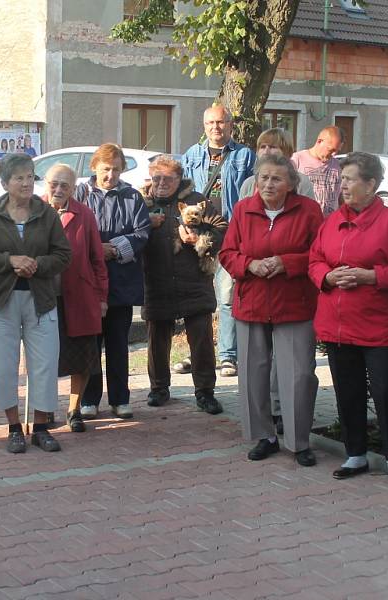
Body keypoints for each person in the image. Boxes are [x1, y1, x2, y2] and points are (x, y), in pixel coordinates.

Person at [308, 152, 388, 488]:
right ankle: (356, 453)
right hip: (337, 322)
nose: (344, 186)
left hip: (377, 324)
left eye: (350, 179)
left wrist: (370, 276)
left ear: (371, 185)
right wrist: (327, 277)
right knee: (347, 390)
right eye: (342, 179)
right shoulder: (331, 221)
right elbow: (314, 261)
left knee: (385, 392)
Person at [219, 154, 323, 466]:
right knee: (253, 373)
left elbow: (320, 253)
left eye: (276, 178)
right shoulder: (243, 209)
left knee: (299, 374)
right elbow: (227, 252)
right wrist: (249, 264)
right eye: (263, 177)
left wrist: (286, 262)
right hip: (251, 300)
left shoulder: (308, 211)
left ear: (292, 184)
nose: (268, 184)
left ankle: (298, 441)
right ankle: (265, 436)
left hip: (294, 302)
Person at [0, 153, 71, 453]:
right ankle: (14, 427)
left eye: (30, 176)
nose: (27, 182)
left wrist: (37, 265)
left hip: (41, 299)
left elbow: (63, 255)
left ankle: (41, 427)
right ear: (5, 183)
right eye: (19, 177)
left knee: (43, 363)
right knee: (4, 364)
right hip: (1, 299)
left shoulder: (47, 214)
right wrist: (9, 261)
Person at [140, 155, 228, 414]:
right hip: (156, 281)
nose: (161, 183)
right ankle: (159, 388)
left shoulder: (197, 201)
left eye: (168, 178)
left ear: (179, 179)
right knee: (157, 339)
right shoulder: (142, 202)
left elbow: (222, 230)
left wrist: (199, 237)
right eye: (157, 178)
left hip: (194, 282)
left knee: (200, 339)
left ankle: (205, 392)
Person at [76, 143, 151, 420]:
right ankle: (89, 399)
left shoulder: (132, 197)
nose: (110, 175)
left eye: (116, 169)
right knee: (91, 343)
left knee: (119, 343)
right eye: (106, 169)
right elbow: (71, 228)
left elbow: (142, 232)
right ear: (94, 167)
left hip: (121, 281)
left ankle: (120, 399)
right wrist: (97, 249)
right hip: (89, 282)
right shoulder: (80, 194)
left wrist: (116, 248)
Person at [181, 105, 256, 378]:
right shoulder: (191, 155)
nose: (216, 127)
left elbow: (250, 196)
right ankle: (198, 355)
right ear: (204, 125)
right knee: (197, 300)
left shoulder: (244, 156)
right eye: (211, 122)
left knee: (225, 298)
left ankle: (227, 356)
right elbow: (183, 193)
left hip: (229, 236)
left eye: (221, 122)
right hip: (198, 236)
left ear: (230, 125)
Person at [42, 164, 108, 433]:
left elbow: (97, 259)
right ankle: (44, 410)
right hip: (44, 298)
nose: (59, 190)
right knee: (44, 358)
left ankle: (74, 409)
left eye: (65, 186)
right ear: (45, 184)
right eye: (54, 184)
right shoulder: (35, 211)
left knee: (80, 356)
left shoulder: (84, 214)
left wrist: (102, 297)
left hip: (78, 296)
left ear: (73, 188)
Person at [239, 128, 314, 199]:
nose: (266, 152)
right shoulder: (249, 184)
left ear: (287, 152)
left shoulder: (301, 183)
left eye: (272, 147)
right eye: (262, 147)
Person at [291, 126, 344, 217]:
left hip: (329, 224)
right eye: (331, 150)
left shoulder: (338, 166)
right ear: (319, 141)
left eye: (337, 151)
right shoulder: (296, 160)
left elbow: (341, 198)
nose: (334, 154)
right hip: (304, 221)